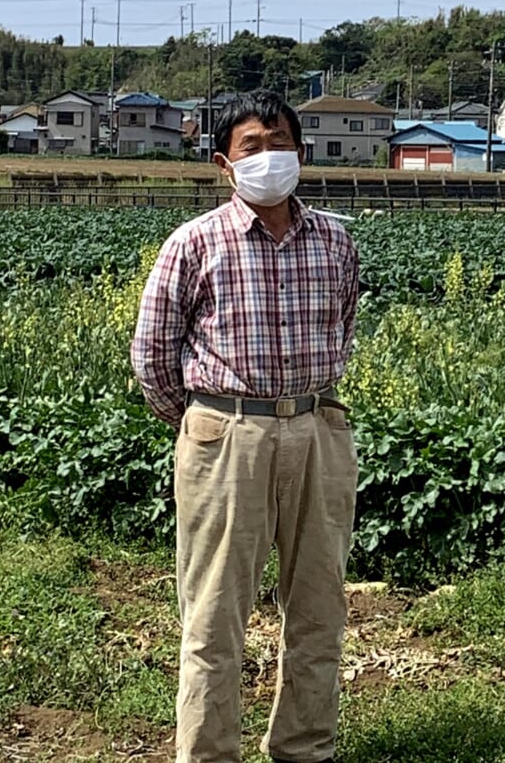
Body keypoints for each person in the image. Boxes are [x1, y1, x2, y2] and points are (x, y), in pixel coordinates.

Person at [130, 89, 359, 763]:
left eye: (280, 143)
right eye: (251, 146)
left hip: (318, 427)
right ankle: (207, 754)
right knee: (213, 616)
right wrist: (206, 420)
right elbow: (153, 355)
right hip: (226, 434)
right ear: (223, 163)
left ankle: (304, 747)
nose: (269, 156)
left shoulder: (336, 242)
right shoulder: (194, 243)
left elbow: (342, 332)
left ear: (302, 153)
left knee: (320, 608)